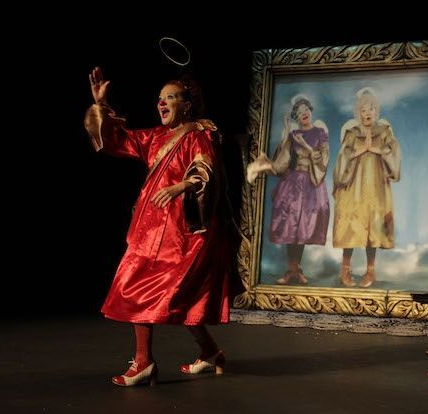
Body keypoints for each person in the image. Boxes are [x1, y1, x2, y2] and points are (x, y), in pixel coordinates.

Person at [84, 66, 235, 386]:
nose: (161, 103)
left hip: (182, 232)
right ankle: (209, 352)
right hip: (151, 228)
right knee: (159, 290)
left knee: (164, 291)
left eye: (170, 98)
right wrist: (101, 105)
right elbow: (116, 140)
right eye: (159, 99)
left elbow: (206, 170)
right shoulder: (154, 137)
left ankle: (144, 362)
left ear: (187, 104)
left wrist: (181, 186)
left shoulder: (198, 135)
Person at [249, 95, 330, 284]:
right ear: (296, 117)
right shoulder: (293, 136)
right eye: (300, 112)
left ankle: (296, 270)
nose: (304, 114)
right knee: (290, 225)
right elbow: (283, 162)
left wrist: (306, 145)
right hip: (293, 183)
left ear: (310, 111)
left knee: (303, 228)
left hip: (311, 183)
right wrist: (286, 132)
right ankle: (292, 270)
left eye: (306, 110)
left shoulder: (320, 132)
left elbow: (322, 159)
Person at [332, 87, 401, 288]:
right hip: (354, 187)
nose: (367, 113)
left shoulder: (384, 132)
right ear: (358, 113)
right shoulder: (352, 134)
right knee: (351, 226)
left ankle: (370, 270)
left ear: (376, 111)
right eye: (363, 110)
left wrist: (378, 149)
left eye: (370, 109)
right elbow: (342, 159)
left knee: (374, 227)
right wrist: (360, 150)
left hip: (376, 188)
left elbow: (394, 155)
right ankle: (345, 270)